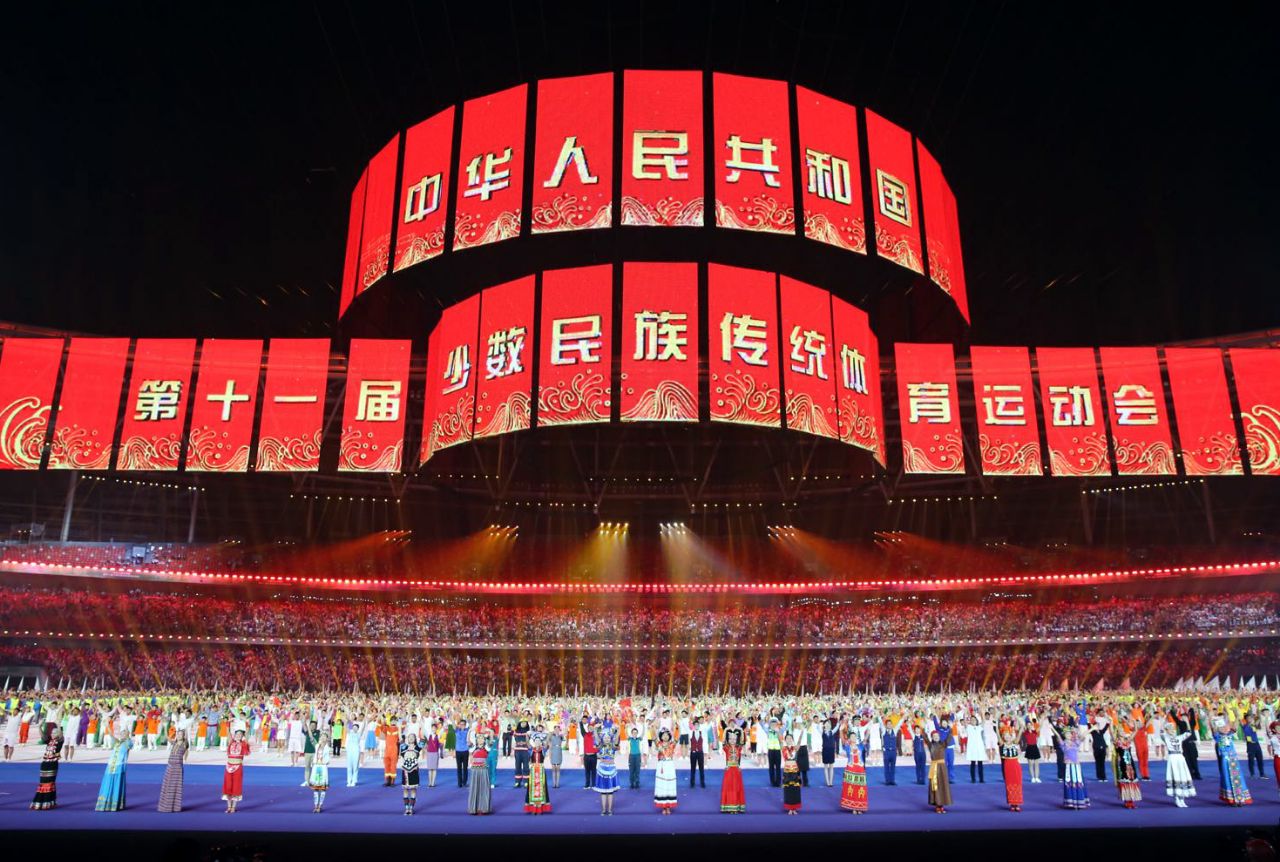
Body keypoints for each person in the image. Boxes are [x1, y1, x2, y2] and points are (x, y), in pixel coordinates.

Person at [1213, 717, 1252, 806]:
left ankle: (1240, 798)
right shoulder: (1218, 737)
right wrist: (1214, 722)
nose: (1224, 729)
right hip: (1225, 760)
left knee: (1237, 778)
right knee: (1228, 778)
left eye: (1225, 727)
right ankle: (1231, 799)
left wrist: (1237, 717)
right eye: (1222, 728)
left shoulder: (1229, 735)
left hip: (1233, 759)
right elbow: (1214, 731)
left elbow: (1235, 727)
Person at [1161, 718, 1196, 807]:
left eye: (1173, 728)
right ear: (1167, 730)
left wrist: (1187, 722)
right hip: (1172, 758)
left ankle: (1182, 798)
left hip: (1180, 758)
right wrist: (1164, 720)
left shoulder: (1179, 737)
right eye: (1170, 729)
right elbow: (1161, 731)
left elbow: (1189, 732)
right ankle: (1177, 798)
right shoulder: (1166, 738)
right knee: (1175, 776)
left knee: (1182, 776)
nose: (1172, 730)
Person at [95, 726, 132, 811]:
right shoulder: (117, 742)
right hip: (110, 765)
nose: (122, 735)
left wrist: (127, 728)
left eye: (124, 733)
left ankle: (114, 805)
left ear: (127, 735)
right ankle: (104, 803)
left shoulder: (128, 743)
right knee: (107, 783)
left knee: (116, 784)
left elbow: (128, 740)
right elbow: (111, 735)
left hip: (119, 766)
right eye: (121, 733)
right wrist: (107, 725)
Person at [1054, 725, 1090, 810]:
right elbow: (1058, 736)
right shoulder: (1063, 744)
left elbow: (1083, 735)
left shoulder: (1075, 743)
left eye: (1069, 734)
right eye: (1066, 734)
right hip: (1068, 766)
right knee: (1070, 783)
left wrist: (1092, 729)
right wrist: (1052, 728)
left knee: (1078, 783)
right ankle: (1071, 801)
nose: (1068, 735)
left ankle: (1079, 801)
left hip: (1076, 766)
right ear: (1064, 735)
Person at [30, 727, 63, 810]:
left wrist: (58, 725)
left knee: (49, 782)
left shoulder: (60, 742)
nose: (52, 734)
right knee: (42, 782)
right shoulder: (49, 741)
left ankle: (48, 802)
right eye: (52, 733)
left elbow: (61, 735)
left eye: (54, 733)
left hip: (52, 764)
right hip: (44, 764)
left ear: (58, 734)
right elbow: (43, 736)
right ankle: (40, 802)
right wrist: (39, 727)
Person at [157, 729, 189, 812]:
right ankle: (165, 806)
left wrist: (185, 730)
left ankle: (174, 807)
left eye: (180, 734)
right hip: (170, 766)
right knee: (167, 786)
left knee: (174, 787)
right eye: (177, 734)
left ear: (184, 736)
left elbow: (186, 743)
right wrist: (165, 728)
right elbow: (168, 738)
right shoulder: (174, 743)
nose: (178, 736)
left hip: (177, 768)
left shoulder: (184, 744)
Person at [594, 722, 619, 814]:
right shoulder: (600, 746)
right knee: (603, 792)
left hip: (611, 769)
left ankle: (610, 810)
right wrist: (595, 729)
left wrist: (618, 729)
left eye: (608, 737)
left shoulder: (613, 746)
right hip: (602, 770)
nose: (607, 739)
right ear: (602, 739)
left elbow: (616, 738)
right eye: (605, 737)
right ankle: (604, 809)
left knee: (611, 792)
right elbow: (597, 738)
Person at [720, 724, 746, 813]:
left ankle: (736, 806)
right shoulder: (726, 748)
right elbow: (723, 740)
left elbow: (742, 739)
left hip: (737, 770)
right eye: (730, 739)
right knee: (729, 788)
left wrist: (740, 729)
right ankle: (729, 806)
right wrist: (726, 729)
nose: (732, 741)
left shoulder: (739, 747)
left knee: (736, 787)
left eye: (734, 739)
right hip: (729, 769)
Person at [223, 728, 249, 813]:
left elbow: (247, 735)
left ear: (242, 736)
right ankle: (228, 806)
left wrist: (247, 725)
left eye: (240, 734)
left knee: (236, 786)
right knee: (228, 786)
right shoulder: (231, 742)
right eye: (237, 734)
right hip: (228, 767)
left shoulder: (243, 744)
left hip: (238, 767)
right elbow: (228, 732)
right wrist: (228, 724)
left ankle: (233, 807)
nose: (238, 736)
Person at [1113, 730, 1141, 809]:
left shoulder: (1127, 741)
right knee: (1125, 782)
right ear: (1118, 734)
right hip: (1123, 764)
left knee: (1132, 781)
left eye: (1123, 731)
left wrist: (1135, 725)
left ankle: (1131, 801)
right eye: (1121, 731)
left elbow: (1135, 732)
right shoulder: (1117, 742)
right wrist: (1110, 725)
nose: (1123, 732)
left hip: (1130, 764)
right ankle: (1127, 801)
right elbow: (1112, 733)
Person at [839, 740, 868, 814]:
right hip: (851, 770)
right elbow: (843, 742)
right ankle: (853, 808)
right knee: (851, 788)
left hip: (860, 770)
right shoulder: (848, 747)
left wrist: (868, 734)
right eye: (852, 736)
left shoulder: (860, 746)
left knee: (860, 788)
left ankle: (860, 807)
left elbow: (865, 740)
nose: (853, 738)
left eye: (854, 736)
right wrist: (842, 735)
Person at [998, 727, 1023, 812]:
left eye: (1008, 735)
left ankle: (1017, 803)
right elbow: (998, 735)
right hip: (1007, 765)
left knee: (1017, 784)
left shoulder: (1015, 743)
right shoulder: (1002, 744)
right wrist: (996, 726)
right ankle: (1012, 803)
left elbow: (1019, 734)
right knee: (1009, 784)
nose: (1007, 736)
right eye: (1005, 735)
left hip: (1015, 765)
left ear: (1011, 735)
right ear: (1003, 737)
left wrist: (1021, 727)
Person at [525, 734, 552, 814]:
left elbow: (547, 743)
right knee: (532, 788)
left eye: (538, 741)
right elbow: (527, 743)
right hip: (533, 771)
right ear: (534, 742)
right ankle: (533, 808)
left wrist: (548, 736)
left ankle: (540, 808)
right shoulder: (531, 750)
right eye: (536, 741)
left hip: (540, 771)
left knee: (541, 788)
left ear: (540, 743)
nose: (537, 743)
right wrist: (527, 736)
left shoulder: (543, 750)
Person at [927, 729, 952, 814]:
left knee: (943, 785)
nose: (936, 737)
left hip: (942, 768)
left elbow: (949, 737)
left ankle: (942, 805)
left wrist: (950, 729)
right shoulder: (930, 745)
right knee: (935, 786)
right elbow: (925, 738)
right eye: (934, 736)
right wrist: (922, 729)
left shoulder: (943, 744)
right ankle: (937, 805)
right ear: (932, 738)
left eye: (937, 736)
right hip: (934, 767)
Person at [654, 728, 678, 813]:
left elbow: (677, 737)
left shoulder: (672, 744)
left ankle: (668, 806)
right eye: (663, 735)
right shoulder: (658, 744)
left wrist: (678, 727)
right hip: (661, 766)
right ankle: (663, 807)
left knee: (669, 785)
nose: (665, 736)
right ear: (661, 736)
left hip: (670, 766)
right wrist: (652, 727)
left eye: (667, 735)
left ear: (669, 736)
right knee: (662, 785)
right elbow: (653, 737)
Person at [467, 735, 491, 815]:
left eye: (482, 738)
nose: (480, 740)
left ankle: (483, 808)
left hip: (483, 769)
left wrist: (490, 732)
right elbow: (470, 755)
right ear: (476, 740)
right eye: (479, 738)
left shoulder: (487, 747)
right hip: (475, 770)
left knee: (483, 788)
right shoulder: (473, 747)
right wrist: (470, 731)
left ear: (484, 740)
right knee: (475, 788)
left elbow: (491, 740)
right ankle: (474, 808)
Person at [399, 732, 423, 815]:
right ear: (407, 739)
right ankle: (406, 808)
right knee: (405, 789)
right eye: (409, 737)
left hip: (414, 771)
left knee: (413, 789)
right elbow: (400, 739)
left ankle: (411, 808)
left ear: (415, 739)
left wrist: (421, 727)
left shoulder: (417, 747)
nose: (411, 738)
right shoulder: (404, 747)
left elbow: (424, 739)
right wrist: (400, 729)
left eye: (413, 737)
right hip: (405, 771)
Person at [309, 730, 331, 813]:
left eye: (325, 736)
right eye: (322, 736)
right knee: (316, 788)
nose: (323, 737)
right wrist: (308, 727)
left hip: (323, 767)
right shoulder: (317, 746)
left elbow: (327, 760)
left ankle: (320, 805)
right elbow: (311, 738)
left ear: (327, 738)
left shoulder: (327, 748)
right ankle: (315, 805)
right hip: (316, 767)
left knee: (322, 788)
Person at [781, 734, 802, 814]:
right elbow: (780, 740)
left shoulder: (795, 748)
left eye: (790, 738)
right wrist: (778, 731)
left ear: (792, 739)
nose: (789, 739)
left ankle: (795, 808)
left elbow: (799, 741)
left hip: (795, 770)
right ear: (785, 740)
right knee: (788, 789)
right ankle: (790, 808)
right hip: (787, 770)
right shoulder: (783, 748)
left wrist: (802, 732)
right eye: (787, 738)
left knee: (795, 789)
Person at [1242, 715, 1266, 780]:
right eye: (1248, 718)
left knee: (1260, 760)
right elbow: (1246, 734)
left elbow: (1259, 721)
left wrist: (1258, 715)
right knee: (1251, 761)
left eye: (1251, 718)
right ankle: (1252, 774)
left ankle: (1262, 774)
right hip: (1250, 745)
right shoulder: (1245, 726)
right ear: (1246, 719)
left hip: (1257, 744)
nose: (1250, 719)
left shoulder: (1254, 725)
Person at [964, 716, 986, 783]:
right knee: (972, 763)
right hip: (972, 748)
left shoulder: (979, 727)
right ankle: (973, 779)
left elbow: (983, 721)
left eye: (974, 720)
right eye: (972, 720)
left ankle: (981, 779)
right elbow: (965, 722)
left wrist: (982, 713)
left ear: (976, 721)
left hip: (979, 747)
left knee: (980, 764)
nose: (973, 721)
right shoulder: (968, 727)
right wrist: (965, 714)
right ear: (970, 721)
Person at [1022, 719, 1041, 784]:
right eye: (1028, 725)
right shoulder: (1025, 732)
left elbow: (1040, 726)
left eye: (1030, 725)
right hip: (1029, 747)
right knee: (1030, 764)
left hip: (1035, 747)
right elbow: (1021, 724)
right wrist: (1017, 717)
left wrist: (1043, 718)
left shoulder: (1034, 731)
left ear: (1032, 725)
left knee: (1036, 764)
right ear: (1026, 726)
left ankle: (1037, 777)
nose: (1029, 726)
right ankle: (1032, 777)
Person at [688, 720, 706, 788]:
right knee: (693, 768)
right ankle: (692, 783)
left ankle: (702, 783)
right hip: (693, 753)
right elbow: (689, 743)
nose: (696, 726)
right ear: (693, 726)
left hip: (700, 752)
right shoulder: (691, 733)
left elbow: (704, 742)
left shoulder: (702, 733)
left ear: (699, 725)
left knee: (701, 768)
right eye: (695, 725)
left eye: (697, 725)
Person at [627, 724, 643, 790]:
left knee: (637, 770)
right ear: (631, 733)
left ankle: (637, 783)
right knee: (631, 771)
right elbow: (626, 734)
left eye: (636, 733)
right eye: (633, 733)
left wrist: (643, 725)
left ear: (637, 733)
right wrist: (627, 727)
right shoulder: (629, 739)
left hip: (638, 756)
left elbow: (643, 734)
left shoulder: (639, 739)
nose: (634, 734)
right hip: (631, 756)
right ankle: (631, 783)